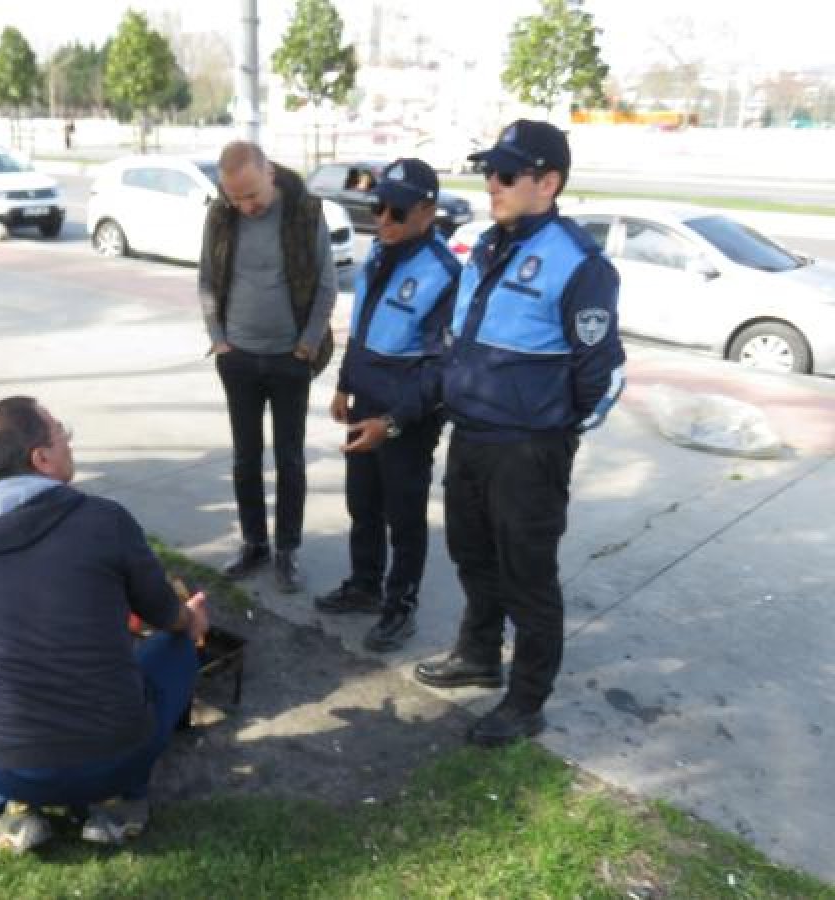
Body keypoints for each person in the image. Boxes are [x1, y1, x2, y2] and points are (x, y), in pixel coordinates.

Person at [413, 120, 626, 746]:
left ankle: (526, 700)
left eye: (506, 175)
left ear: (548, 182)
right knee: (471, 555)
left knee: (527, 579)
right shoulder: (486, 244)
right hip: (473, 438)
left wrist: (552, 435)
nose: (491, 185)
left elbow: (602, 376)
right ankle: (478, 654)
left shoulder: (578, 263)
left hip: (527, 453)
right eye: (488, 173)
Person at [0, 396, 208, 852]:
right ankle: (119, 803)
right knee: (180, 644)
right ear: (42, 458)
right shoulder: (106, 521)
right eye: (61, 432)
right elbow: (164, 615)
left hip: (10, 764)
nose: (70, 441)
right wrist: (191, 618)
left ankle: (11, 807)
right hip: (117, 757)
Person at [314, 159, 461, 653]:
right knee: (363, 504)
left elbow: (441, 370)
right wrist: (343, 385)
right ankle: (364, 584)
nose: (383, 220)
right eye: (377, 206)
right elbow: (361, 327)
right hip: (365, 401)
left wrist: (393, 422)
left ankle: (401, 605)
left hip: (407, 415)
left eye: (395, 210)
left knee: (404, 515)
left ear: (427, 210)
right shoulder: (378, 253)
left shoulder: (445, 274)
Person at [198, 140, 338, 594]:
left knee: (290, 459)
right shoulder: (220, 214)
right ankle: (254, 544)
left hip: (288, 359)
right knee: (245, 458)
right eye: (235, 197)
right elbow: (206, 279)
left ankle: (287, 551)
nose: (245, 206)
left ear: (270, 175)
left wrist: (307, 345)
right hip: (237, 357)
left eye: (252, 194)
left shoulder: (304, 212)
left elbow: (327, 285)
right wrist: (218, 339)